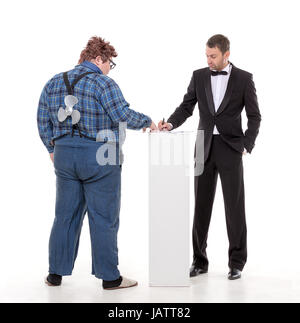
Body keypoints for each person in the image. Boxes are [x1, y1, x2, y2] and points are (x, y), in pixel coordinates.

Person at [37, 36, 157, 290]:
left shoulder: (54, 82)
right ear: (98, 58)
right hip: (101, 154)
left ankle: (54, 274)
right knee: (104, 217)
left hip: (64, 156)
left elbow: (42, 118)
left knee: (65, 216)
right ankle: (110, 277)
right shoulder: (103, 83)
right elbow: (122, 115)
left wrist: (52, 147)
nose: (109, 68)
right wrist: (147, 121)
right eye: (110, 63)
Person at [158, 34, 261, 280]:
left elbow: (255, 116)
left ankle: (236, 262)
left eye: (213, 56)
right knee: (201, 206)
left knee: (234, 207)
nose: (209, 60)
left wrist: (247, 143)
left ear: (227, 55)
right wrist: (171, 123)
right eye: (206, 55)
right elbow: (187, 106)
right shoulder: (199, 76)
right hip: (203, 147)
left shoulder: (244, 79)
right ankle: (199, 261)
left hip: (231, 148)